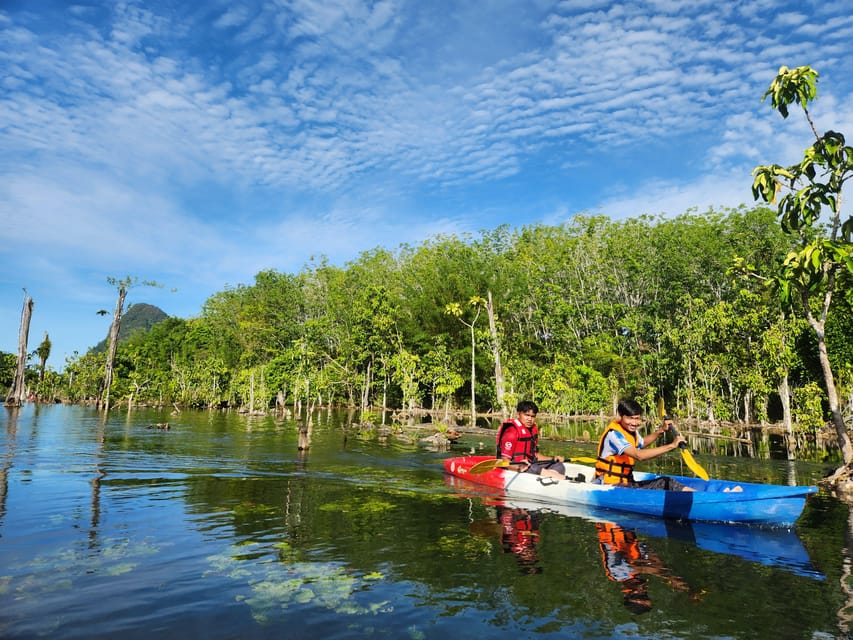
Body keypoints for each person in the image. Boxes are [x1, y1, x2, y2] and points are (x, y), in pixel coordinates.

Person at [593, 399, 693, 491]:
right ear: (620, 416)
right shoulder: (614, 435)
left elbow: (642, 443)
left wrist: (660, 431)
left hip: (625, 484)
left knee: (666, 482)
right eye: (630, 418)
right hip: (609, 486)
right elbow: (639, 455)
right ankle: (701, 499)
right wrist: (672, 445)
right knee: (666, 483)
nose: (635, 423)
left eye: (637, 419)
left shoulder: (630, 432)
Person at [496, 400, 566, 480]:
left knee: (558, 465)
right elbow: (504, 460)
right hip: (516, 467)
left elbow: (535, 455)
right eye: (527, 415)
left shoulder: (532, 430)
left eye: (533, 416)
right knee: (533, 468)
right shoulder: (511, 432)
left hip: (530, 465)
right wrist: (518, 467)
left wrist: (553, 459)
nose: (530, 419)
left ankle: (551, 478)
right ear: (518, 414)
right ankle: (562, 478)